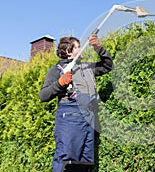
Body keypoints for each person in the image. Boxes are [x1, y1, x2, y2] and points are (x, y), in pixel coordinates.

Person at [39, 34, 114, 172]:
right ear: (68, 51)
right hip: (69, 117)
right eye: (78, 47)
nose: (82, 49)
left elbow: (108, 66)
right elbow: (43, 95)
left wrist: (99, 48)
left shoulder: (87, 67)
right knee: (66, 160)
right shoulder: (56, 70)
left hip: (89, 116)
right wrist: (60, 83)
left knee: (86, 163)